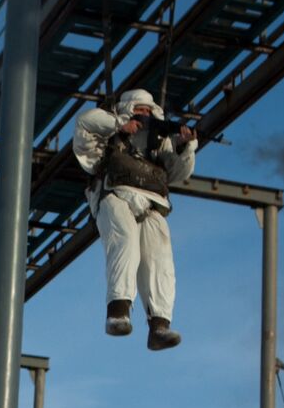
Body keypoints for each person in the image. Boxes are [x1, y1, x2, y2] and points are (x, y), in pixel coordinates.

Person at [72, 88, 197, 347]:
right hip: (115, 194)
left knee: (160, 258)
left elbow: (177, 172)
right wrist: (120, 125)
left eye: (148, 111)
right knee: (125, 241)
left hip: (152, 203)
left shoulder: (159, 142)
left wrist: (186, 147)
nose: (144, 114)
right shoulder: (109, 132)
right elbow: (84, 123)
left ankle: (159, 325)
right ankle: (118, 311)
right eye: (139, 109)